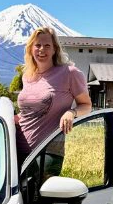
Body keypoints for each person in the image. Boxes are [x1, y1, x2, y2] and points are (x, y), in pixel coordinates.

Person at [15, 27, 92, 169]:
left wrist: (71, 112)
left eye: (47, 45)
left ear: (55, 49)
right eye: (37, 45)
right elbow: (30, 112)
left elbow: (86, 106)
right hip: (16, 148)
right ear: (31, 49)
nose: (41, 49)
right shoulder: (27, 76)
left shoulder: (70, 73)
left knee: (39, 184)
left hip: (48, 151)